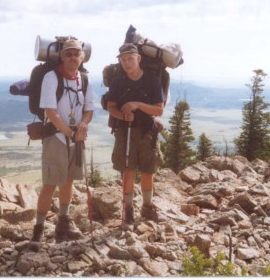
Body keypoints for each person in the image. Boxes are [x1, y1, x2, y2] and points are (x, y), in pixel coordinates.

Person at [28, 38, 94, 251]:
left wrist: (83, 125)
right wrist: (67, 130)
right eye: (68, 54)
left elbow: (89, 108)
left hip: (76, 138)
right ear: (62, 56)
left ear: (82, 57)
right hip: (56, 137)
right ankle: (38, 230)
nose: (73, 57)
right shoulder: (51, 77)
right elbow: (49, 109)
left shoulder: (83, 79)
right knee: (50, 184)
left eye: (76, 54)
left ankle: (63, 223)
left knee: (68, 182)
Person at [107, 43, 167, 232]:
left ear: (138, 58)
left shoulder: (152, 80)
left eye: (130, 58)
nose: (126, 63)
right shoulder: (118, 82)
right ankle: (129, 211)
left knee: (148, 171)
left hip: (146, 131)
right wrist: (122, 116)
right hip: (125, 132)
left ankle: (147, 207)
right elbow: (111, 107)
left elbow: (159, 109)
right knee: (129, 172)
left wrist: (137, 104)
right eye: (123, 59)